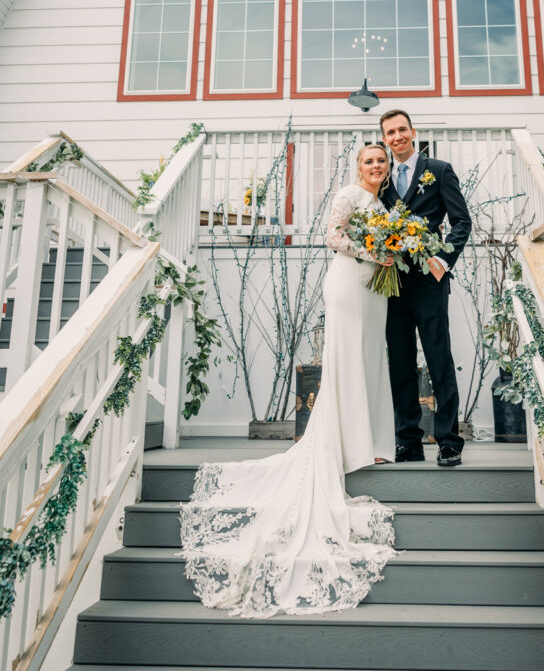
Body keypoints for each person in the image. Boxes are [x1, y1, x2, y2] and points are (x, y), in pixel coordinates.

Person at [179, 144, 398, 617]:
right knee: (345, 361)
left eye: (381, 161)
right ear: (357, 167)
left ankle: (365, 440)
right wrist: (376, 251)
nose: (376, 166)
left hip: (374, 288)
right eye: (369, 161)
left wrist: (389, 252)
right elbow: (333, 238)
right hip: (349, 280)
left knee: (367, 360)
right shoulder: (348, 195)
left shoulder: (384, 206)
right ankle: (342, 441)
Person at [380, 109, 472, 467]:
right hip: (391, 282)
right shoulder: (382, 177)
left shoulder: (440, 170)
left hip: (430, 281)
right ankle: (408, 440)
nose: (397, 136)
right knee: (400, 362)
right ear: (385, 139)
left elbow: (461, 221)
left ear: (413, 132)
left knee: (438, 358)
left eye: (402, 129)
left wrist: (443, 261)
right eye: (390, 132)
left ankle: (449, 440)